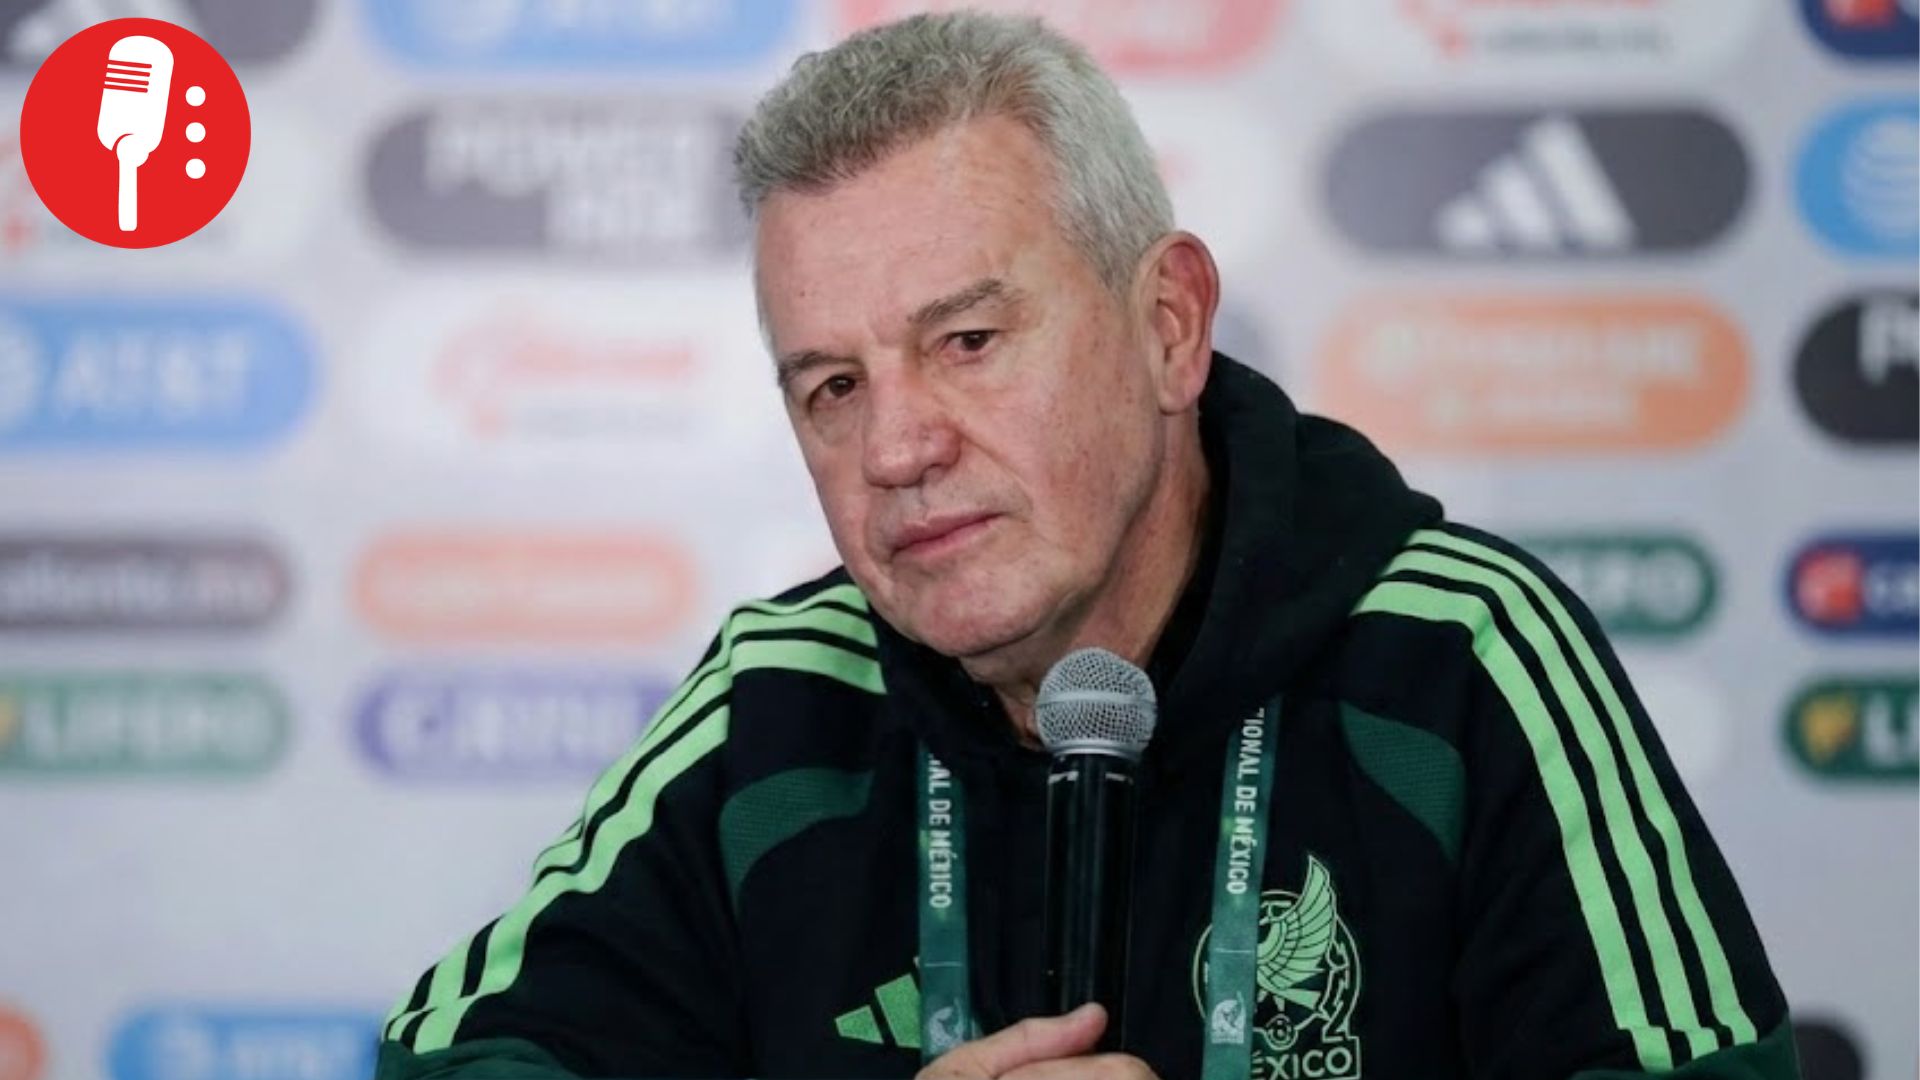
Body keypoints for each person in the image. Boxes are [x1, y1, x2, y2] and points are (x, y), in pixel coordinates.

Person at [374, 12, 1799, 1080]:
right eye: (834, 385)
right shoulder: (781, 698)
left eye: (968, 341)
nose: (896, 448)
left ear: (1168, 325)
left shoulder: (1462, 659)